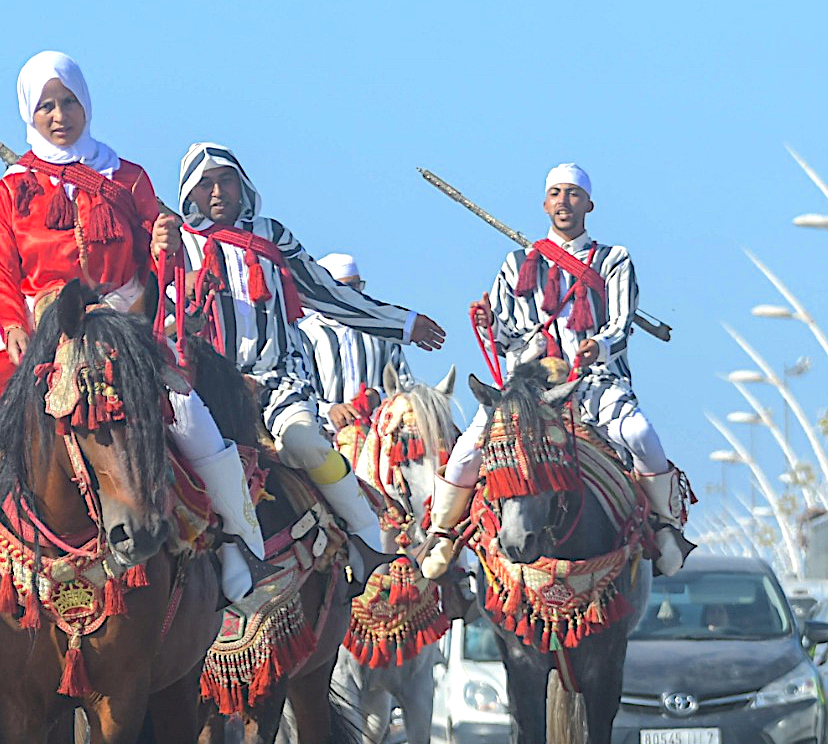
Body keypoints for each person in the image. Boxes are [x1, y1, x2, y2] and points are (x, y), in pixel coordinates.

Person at [0, 53, 262, 604]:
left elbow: (161, 250)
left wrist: (166, 244)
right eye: (46, 105)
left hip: (122, 323)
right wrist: (10, 327)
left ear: (85, 103)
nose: (58, 115)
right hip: (36, 324)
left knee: (191, 414)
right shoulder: (12, 187)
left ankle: (237, 540)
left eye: (68, 101)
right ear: (30, 111)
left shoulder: (127, 176)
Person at [173, 143, 446, 561]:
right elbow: (166, 318)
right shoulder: (178, 245)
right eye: (205, 184)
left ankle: (367, 539)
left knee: (307, 447)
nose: (216, 193)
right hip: (211, 388)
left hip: (280, 378)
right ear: (189, 192)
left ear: (241, 184)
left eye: (225, 180)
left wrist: (403, 324)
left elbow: (327, 293)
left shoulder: (272, 235)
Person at [421, 163, 689, 579]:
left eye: (573, 194)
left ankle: (666, 525)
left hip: (593, 381)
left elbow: (620, 324)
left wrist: (596, 346)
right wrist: (490, 325)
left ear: (589, 204)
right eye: (556, 194)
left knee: (638, 433)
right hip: (527, 388)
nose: (564, 202)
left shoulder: (614, 260)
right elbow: (508, 334)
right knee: (468, 450)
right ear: (545, 204)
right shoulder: (516, 263)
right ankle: (442, 534)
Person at [299, 253, 414, 432]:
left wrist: (378, 395)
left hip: (379, 436)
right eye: (346, 287)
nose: (354, 294)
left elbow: (406, 386)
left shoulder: (380, 331)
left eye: (357, 286)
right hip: (324, 437)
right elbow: (298, 392)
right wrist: (330, 411)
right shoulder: (305, 335)